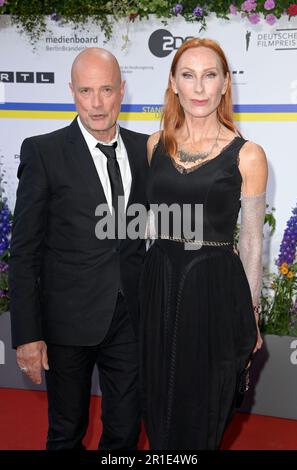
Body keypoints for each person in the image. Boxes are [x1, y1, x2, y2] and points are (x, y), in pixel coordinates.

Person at [9, 48, 149, 450]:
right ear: (72, 92)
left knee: (124, 433)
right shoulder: (44, 152)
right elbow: (24, 252)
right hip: (66, 324)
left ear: (122, 90)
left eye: (106, 89)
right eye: (86, 91)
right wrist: (27, 335)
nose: (97, 103)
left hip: (131, 321)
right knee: (66, 432)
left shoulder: (147, 150)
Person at [140, 38, 267, 450]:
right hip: (159, 287)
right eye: (188, 76)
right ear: (173, 84)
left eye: (209, 76)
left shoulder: (248, 155)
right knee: (158, 405)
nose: (199, 88)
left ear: (225, 83)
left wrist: (251, 315)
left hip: (213, 292)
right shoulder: (154, 144)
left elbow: (250, 239)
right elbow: (147, 226)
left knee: (203, 411)